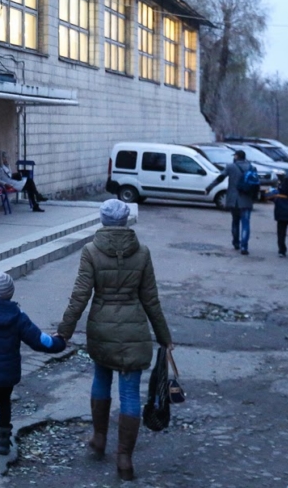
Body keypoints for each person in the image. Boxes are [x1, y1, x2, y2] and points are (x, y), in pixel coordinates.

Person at [57, 199, 173, 482]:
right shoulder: (142, 252)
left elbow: (80, 296)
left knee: (101, 377)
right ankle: (124, 459)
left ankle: (98, 438)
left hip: (101, 328)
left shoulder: (92, 251)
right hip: (134, 331)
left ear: (103, 220)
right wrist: (164, 338)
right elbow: (151, 299)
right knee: (130, 394)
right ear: (125, 221)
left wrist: (64, 332)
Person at [0, 272, 66, 467]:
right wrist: (59, 343)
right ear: (10, 293)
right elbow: (39, 340)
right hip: (8, 373)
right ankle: (3, 442)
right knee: (4, 402)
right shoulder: (18, 317)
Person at [222, 149, 255, 255]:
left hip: (234, 200)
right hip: (247, 200)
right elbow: (255, 183)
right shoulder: (252, 167)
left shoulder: (231, 167)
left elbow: (220, 177)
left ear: (237, 156)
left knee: (235, 221)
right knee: (246, 224)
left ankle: (236, 242)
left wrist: (209, 187)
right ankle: (244, 247)